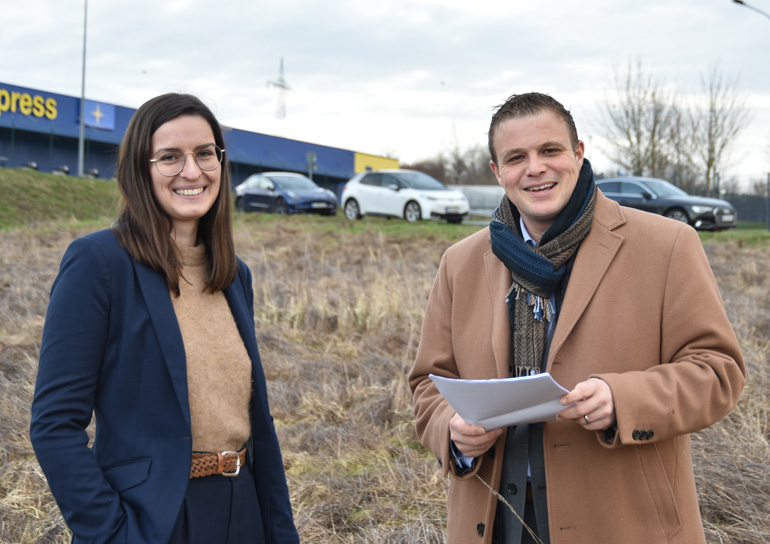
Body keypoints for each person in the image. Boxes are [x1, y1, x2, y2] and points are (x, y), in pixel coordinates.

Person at [409, 92, 746, 544]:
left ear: (578, 153)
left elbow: (719, 372)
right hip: (494, 521)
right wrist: (450, 432)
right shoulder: (460, 262)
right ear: (496, 172)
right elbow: (429, 382)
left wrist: (622, 399)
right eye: (516, 157)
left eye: (550, 150)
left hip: (626, 522)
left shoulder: (667, 246)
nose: (535, 168)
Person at [30, 93, 299, 544]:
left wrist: (278, 529)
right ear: (141, 167)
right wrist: (114, 533)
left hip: (243, 509)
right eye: (170, 157)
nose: (191, 172)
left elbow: (259, 425)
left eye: (204, 154)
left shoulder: (234, 277)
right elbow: (54, 424)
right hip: (153, 520)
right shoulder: (98, 264)